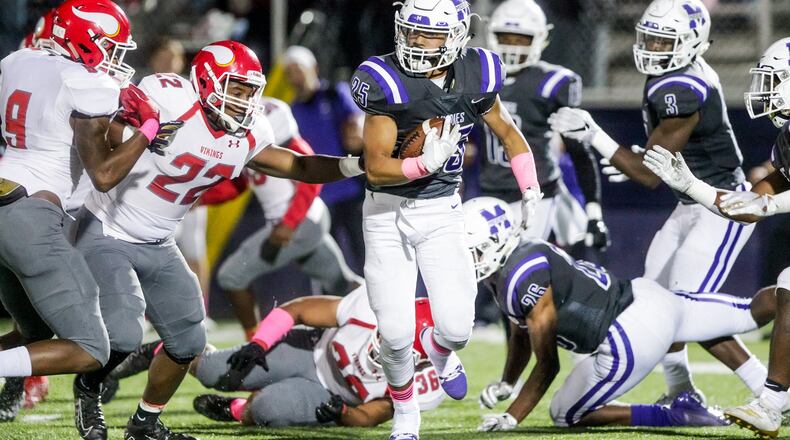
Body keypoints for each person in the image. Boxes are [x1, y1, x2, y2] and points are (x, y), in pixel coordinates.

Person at [70, 40, 365, 440]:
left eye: (250, 92)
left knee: (189, 340)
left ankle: (144, 424)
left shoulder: (246, 133)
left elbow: (298, 165)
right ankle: (87, 389)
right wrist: (128, 123)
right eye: (236, 89)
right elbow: (99, 125)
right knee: (124, 332)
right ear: (206, 81)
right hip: (108, 227)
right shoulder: (168, 99)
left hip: (159, 240)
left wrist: (358, 164)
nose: (244, 102)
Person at [549, 0, 765, 405]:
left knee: (685, 308)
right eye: (649, 38)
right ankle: (682, 391)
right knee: (654, 297)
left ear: (692, 42)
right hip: (690, 203)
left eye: (664, 42)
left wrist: (596, 135)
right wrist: (637, 154)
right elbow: (662, 157)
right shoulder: (672, 75)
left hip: (722, 206)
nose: (653, 48)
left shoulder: (681, 88)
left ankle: (770, 389)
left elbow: (648, 176)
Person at [349, 0, 542, 438]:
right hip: (385, 211)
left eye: (430, 34)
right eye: (411, 31)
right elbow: (376, 166)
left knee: (457, 329)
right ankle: (405, 414)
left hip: (440, 210)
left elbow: (510, 135)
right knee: (395, 335)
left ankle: (437, 347)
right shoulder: (384, 78)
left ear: (456, 36)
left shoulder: (477, 73)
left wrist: (529, 187)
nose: (417, 41)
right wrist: (422, 164)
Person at [461, 197, 774, 431]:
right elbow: (521, 333)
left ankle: (674, 415)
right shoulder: (516, 261)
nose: (467, 258)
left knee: (565, 413)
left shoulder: (522, 276)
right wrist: (507, 382)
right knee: (749, 312)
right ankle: (784, 290)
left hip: (627, 334)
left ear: (496, 242)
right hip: (647, 296)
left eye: (473, 250)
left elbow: (547, 363)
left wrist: (512, 417)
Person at [0, 0, 154, 419]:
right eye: (111, 46)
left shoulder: (19, 60)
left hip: (6, 193)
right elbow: (104, 174)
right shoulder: (89, 84)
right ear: (84, 40)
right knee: (90, 348)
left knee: (33, 331)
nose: (115, 58)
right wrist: (149, 129)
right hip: (31, 216)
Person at [643, 37, 790, 440]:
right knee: (786, 287)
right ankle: (773, 402)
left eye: (775, 81)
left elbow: (765, 205)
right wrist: (692, 185)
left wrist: (770, 206)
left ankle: (773, 400)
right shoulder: (787, 138)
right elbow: (750, 203)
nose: (766, 90)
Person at [105, 285, 447, 428]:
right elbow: (296, 310)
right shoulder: (370, 309)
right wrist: (260, 343)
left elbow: (370, 416)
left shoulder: (423, 384)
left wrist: (343, 413)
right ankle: (166, 350)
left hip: (330, 393)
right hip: (309, 349)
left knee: (267, 410)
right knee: (212, 371)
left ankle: (239, 410)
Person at [208, 96, 362, 339]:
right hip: (306, 221)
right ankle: (381, 316)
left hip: (298, 223)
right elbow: (236, 186)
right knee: (341, 283)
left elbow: (311, 180)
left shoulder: (285, 139)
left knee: (231, 276)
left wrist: (288, 225)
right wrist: (198, 197)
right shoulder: (248, 139)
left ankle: (256, 341)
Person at [481, 0, 608, 250]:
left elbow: (578, 150)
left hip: (537, 193)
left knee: (521, 269)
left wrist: (594, 212)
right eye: (506, 38)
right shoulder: (481, 76)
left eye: (521, 39)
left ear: (539, 39)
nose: (513, 47)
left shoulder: (553, 83)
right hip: (489, 190)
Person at [284, 45, 367, 273]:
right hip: (319, 200)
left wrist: (357, 130)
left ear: (314, 68)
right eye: (290, 72)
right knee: (326, 264)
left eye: (298, 69)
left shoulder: (336, 94)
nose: (295, 76)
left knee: (365, 256)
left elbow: (360, 125)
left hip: (351, 192)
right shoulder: (291, 112)